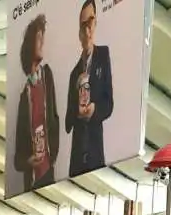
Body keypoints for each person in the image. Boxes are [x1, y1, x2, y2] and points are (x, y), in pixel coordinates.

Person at [65, 0, 113, 177]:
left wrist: (94, 109)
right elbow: (67, 123)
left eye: (91, 22)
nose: (88, 30)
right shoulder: (73, 74)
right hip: (77, 157)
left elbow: (109, 104)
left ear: (96, 23)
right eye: (83, 25)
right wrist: (76, 112)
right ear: (79, 32)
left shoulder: (103, 55)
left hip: (95, 151)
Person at [14, 14, 59, 192]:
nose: (42, 42)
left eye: (42, 37)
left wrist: (53, 153)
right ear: (30, 44)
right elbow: (18, 156)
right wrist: (28, 162)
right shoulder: (24, 97)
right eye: (38, 38)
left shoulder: (47, 76)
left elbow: (54, 117)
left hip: (49, 171)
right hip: (32, 181)